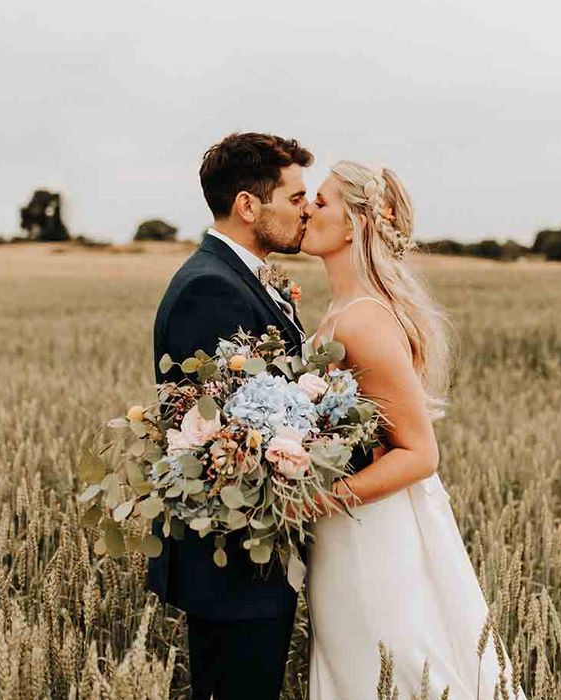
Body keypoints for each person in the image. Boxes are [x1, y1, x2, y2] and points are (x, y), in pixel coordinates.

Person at [299, 161, 527, 699]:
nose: (308, 207)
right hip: (346, 526)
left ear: (355, 223)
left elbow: (420, 453)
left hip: (370, 530)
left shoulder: (363, 319)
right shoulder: (340, 310)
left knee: (390, 666)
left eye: (323, 201)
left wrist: (315, 503)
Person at [147, 132, 312, 700]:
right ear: (248, 205)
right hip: (236, 555)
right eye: (295, 198)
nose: (307, 210)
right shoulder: (210, 289)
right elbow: (227, 434)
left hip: (249, 551)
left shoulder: (237, 276)